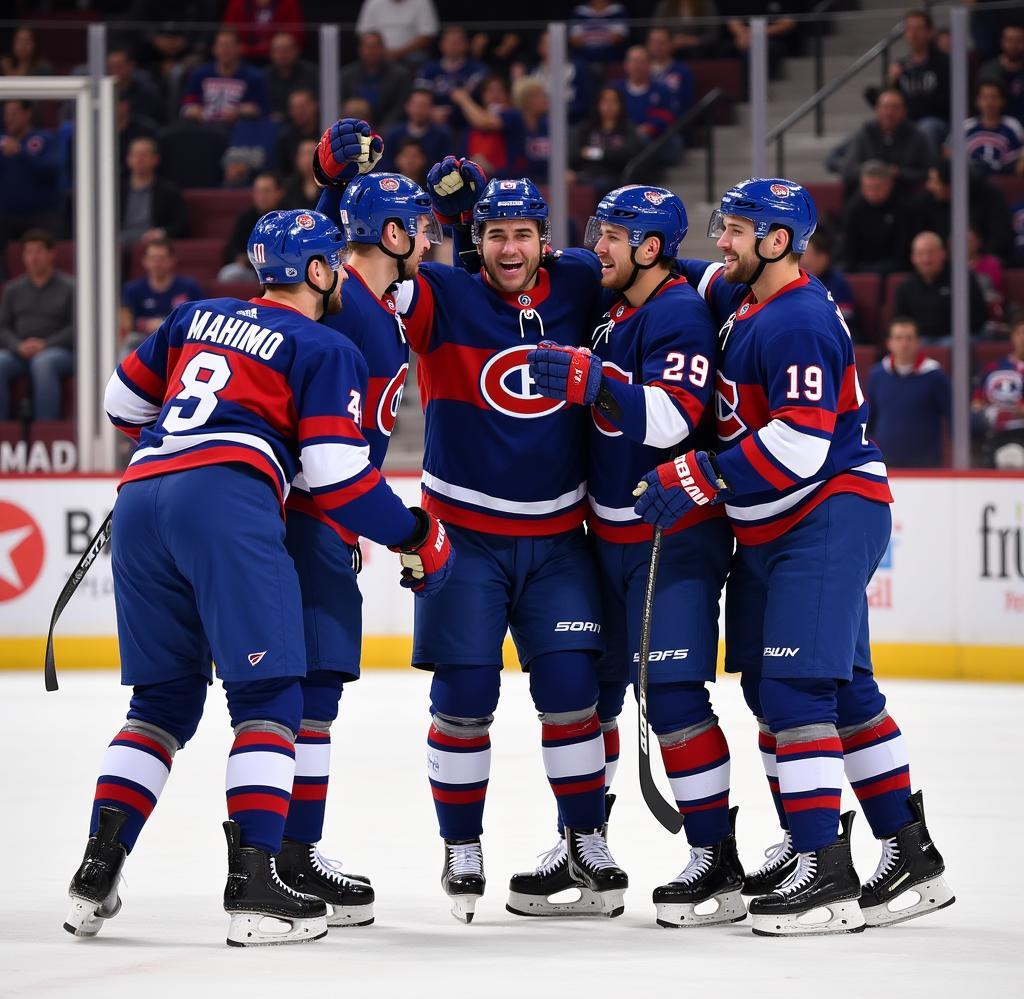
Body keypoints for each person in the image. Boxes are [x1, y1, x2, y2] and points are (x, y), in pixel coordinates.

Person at [66, 207, 453, 946]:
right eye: (333, 262)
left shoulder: (195, 314)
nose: (341, 272)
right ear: (315, 271)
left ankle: (94, 875)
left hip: (142, 497)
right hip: (228, 498)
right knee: (272, 695)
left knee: (161, 704)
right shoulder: (321, 342)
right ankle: (256, 890)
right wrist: (417, 532)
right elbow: (337, 477)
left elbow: (122, 405)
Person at [316, 125, 628, 922]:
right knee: (462, 699)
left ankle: (586, 837)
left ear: (546, 241)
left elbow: (659, 271)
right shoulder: (439, 294)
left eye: (522, 233)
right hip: (464, 538)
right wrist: (331, 188)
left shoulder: (580, 282)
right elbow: (351, 281)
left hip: (558, 541)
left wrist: (737, 285)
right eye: (494, 233)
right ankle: (462, 844)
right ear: (473, 238)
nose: (510, 247)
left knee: (571, 694)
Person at [654, 178, 954, 935]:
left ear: (778, 240)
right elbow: (689, 273)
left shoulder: (797, 324)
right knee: (835, 690)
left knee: (795, 694)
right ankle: (909, 851)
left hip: (823, 514)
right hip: (784, 523)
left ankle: (823, 869)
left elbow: (800, 441)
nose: (721, 243)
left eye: (736, 230)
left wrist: (700, 474)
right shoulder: (750, 295)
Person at [518, 186, 740, 927]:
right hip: (605, 535)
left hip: (668, 538)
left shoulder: (675, 310)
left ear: (650, 248)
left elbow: (676, 416)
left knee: (672, 696)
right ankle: (586, 850)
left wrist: (593, 379)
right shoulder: (617, 306)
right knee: (597, 695)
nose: (597, 246)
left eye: (611, 236)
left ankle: (716, 860)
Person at [280, 123, 444, 925]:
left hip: (299, 512)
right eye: (415, 224)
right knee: (309, 697)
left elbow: (322, 261)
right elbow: (338, 468)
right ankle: (288, 859)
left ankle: (285, 851)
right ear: (388, 233)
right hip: (315, 518)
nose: (427, 238)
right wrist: (406, 532)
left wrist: (328, 183)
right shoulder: (367, 318)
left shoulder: (351, 291)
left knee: (299, 696)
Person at [0, 230, 75, 421]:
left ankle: (46, 428)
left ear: (52, 254)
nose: (33, 257)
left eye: (39, 251)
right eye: (28, 252)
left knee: (44, 363)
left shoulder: (69, 287)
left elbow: (78, 327)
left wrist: (46, 344)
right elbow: (3, 327)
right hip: (19, 352)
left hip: (60, 351)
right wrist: (18, 345)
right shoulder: (12, 289)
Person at [867, 317, 951, 468]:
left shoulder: (934, 375)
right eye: (898, 338)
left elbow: (952, 416)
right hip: (884, 463)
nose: (904, 344)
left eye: (909, 338)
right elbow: (870, 419)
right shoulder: (877, 374)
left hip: (926, 464)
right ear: (889, 343)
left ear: (918, 342)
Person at [893, 231, 986, 345]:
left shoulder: (962, 279)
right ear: (913, 258)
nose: (926, 259)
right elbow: (900, 322)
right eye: (920, 254)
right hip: (921, 339)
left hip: (955, 337)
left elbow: (978, 317)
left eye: (931, 253)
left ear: (943, 254)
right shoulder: (906, 286)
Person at [911, 159, 1013, 261]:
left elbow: (1000, 238)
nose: (929, 186)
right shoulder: (926, 202)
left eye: (935, 182)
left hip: (982, 261)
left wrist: (976, 257)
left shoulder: (990, 196)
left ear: (951, 186)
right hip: (940, 264)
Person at [838, 89, 932, 197]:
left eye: (895, 108)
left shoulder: (917, 136)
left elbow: (929, 172)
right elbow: (848, 171)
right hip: (868, 198)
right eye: (885, 107)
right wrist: (873, 172)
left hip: (905, 195)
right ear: (877, 109)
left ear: (904, 111)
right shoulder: (865, 133)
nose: (889, 113)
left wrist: (899, 173)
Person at [0, 100, 63, 249]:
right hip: (6, 216)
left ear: (27, 114)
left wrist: (21, 152)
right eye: (6, 114)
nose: (9, 118)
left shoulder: (45, 139)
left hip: (41, 215)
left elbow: (52, 170)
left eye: (14, 113)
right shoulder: (2, 142)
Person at [886, 8, 950, 150]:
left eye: (918, 28)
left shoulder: (943, 63)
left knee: (925, 128)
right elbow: (888, 102)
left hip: (936, 121)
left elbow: (945, 102)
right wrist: (892, 81)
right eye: (909, 29)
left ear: (929, 32)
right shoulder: (900, 66)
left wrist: (911, 105)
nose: (913, 34)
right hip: (906, 122)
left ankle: (927, 170)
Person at [121, 239, 204, 343]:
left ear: (172, 260)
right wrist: (146, 324)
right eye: (153, 259)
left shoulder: (189, 287)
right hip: (143, 341)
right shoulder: (132, 289)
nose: (157, 263)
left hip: (179, 338)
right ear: (144, 261)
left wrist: (165, 324)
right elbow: (127, 322)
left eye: (161, 258)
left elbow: (200, 318)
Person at [570, 86, 645, 198]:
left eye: (613, 101)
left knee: (599, 186)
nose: (609, 106)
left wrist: (591, 153)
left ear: (620, 105)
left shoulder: (627, 129)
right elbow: (574, 153)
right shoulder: (586, 128)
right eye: (605, 101)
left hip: (614, 177)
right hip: (585, 174)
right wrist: (606, 154)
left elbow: (625, 155)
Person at [180, 29, 269, 123]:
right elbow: (186, 105)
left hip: (238, 130)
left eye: (230, 45)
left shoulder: (253, 77)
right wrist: (192, 110)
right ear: (214, 49)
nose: (225, 49)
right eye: (221, 45)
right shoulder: (200, 74)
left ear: (239, 48)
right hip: (204, 129)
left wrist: (241, 111)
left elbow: (262, 110)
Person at [839, 159, 912, 274]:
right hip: (861, 267)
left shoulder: (903, 207)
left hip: (894, 267)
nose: (872, 193)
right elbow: (849, 248)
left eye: (877, 187)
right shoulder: (853, 209)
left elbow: (902, 251)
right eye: (868, 188)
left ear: (889, 184)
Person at [450, 76, 527, 179]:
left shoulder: (512, 115)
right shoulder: (470, 126)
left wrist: (464, 99)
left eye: (500, 90)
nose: (495, 95)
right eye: (490, 90)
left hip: (507, 182)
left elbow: (483, 122)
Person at [973, 313, 1024, 467]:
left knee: (1012, 457)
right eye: (1020, 333)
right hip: (995, 433)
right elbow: (977, 401)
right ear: (1013, 336)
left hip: (1021, 433)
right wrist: (983, 409)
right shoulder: (994, 368)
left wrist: (1015, 411)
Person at [119, 137, 190, 247]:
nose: (139, 159)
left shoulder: (169, 190)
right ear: (128, 159)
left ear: (156, 159)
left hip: (152, 244)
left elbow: (182, 224)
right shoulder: (116, 190)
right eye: (135, 155)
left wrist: (160, 233)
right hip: (119, 242)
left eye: (144, 155)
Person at [414, 24, 488, 127]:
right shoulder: (428, 69)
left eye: (458, 42)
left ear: (466, 45)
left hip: (469, 122)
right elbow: (419, 96)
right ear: (441, 45)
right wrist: (431, 111)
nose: (453, 45)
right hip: (434, 122)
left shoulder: (477, 69)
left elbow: (481, 97)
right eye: (449, 42)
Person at [219, 171, 285, 280]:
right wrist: (240, 258)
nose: (262, 196)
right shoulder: (246, 217)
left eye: (266, 191)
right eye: (258, 191)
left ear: (279, 193)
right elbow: (231, 249)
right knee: (229, 273)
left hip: (283, 268)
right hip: (251, 269)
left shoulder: (288, 216)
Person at [339, 32, 411, 128]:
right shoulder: (346, 75)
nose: (371, 51)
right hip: (353, 124)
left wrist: (383, 128)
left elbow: (400, 108)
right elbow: (341, 103)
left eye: (374, 47)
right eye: (367, 47)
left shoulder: (400, 76)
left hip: (387, 125)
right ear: (360, 50)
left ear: (383, 49)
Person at [800, 229, 857, 338]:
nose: (802, 260)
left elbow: (845, 318)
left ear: (823, 258)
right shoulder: (797, 282)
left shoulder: (838, 283)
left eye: (807, 253)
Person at [380, 88, 453, 172]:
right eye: (416, 105)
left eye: (424, 105)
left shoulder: (442, 136)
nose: (419, 110)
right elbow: (385, 167)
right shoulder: (393, 135)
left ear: (432, 108)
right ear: (407, 106)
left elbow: (446, 168)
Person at [965, 80, 1024, 176]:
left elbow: (1020, 156)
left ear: (1002, 101)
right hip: (971, 182)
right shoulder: (966, 126)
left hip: (1006, 180)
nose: (989, 102)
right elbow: (948, 153)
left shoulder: (1013, 125)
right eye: (985, 97)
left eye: (994, 97)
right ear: (977, 101)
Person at [355, 0, 439, 65]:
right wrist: (380, 50)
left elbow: (427, 33)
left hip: (410, 53)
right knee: (368, 56)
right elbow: (364, 32)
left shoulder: (422, 2)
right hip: (379, 52)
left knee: (417, 58)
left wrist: (400, 52)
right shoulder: (373, 2)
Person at [222, 0, 305, 64]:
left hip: (279, 58)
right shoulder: (238, 3)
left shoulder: (288, 3)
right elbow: (228, 32)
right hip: (243, 58)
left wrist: (275, 49)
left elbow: (296, 36)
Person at [263, 32, 319, 119]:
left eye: (286, 50)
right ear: (271, 53)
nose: (282, 54)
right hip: (272, 124)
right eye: (278, 50)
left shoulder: (311, 73)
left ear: (296, 50)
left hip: (304, 123)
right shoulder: (264, 76)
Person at [978, 23, 1024, 123]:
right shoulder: (989, 70)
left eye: (1018, 41)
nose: (1013, 45)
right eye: (1010, 40)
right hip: (997, 127)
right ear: (1002, 42)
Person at [273, 88, 320, 175]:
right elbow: (282, 172)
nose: (298, 112)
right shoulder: (285, 138)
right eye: (294, 108)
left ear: (315, 106)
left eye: (303, 107)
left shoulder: (326, 131)